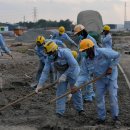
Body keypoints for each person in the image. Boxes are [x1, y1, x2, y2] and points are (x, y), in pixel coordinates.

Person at [73, 39, 120, 125]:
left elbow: (117, 55)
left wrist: (111, 67)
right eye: (83, 51)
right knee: (99, 98)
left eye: (85, 50)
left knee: (113, 96)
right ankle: (101, 118)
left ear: (91, 48)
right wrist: (76, 85)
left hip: (111, 77)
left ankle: (115, 118)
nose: (85, 53)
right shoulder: (85, 60)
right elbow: (83, 75)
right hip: (99, 79)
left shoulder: (103, 52)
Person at [35, 41, 86, 118]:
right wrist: (40, 85)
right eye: (48, 54)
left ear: (55, 50)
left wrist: (65, 75)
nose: (49, 56)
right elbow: (45, 71)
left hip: (73, 72)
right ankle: (59, 112)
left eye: (50, 53)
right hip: (61, 73)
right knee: (60, 92)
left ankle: (80, 110)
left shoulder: (65, 53)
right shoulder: (49, 57)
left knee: (75, 90)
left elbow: (74, 65)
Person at [74, 24, 98, 102]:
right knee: (84, 79)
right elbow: (80, 53)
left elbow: (96, 52)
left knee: (88, 79)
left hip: (90, 62)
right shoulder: (81, 41)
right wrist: (76, 62)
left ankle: (89, 96)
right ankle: (88, 94)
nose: (78, 36)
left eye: (78, 34)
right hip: (83, 62)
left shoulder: (91, 40)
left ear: (82, 32)